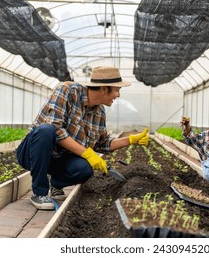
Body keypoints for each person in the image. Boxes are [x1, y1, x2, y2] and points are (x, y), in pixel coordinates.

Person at [16, 66, 149, 210]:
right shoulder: (68, 91)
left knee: (85, 169)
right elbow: (55, 128)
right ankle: (39, 193)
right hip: (32, 152)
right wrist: (86, 153)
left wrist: (129, 140)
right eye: (117, 90)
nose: (118, 95)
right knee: (46, 130)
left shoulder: (99, 112)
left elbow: (102, 144)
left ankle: (56, 183)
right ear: (104, 89)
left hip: (58, 159)